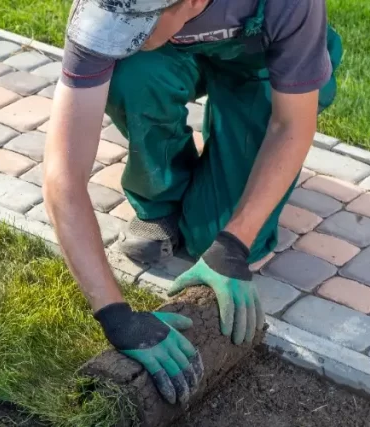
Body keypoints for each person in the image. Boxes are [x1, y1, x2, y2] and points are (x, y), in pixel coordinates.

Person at [42, 0, 342, 406]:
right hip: (171, 57)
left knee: (214, 238)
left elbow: (292, 123)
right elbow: (63, 175)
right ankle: (160, 201)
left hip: (258, 67)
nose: (121, 34)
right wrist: (115, 315)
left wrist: (233, 245)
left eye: (138, 23)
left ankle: (232, 141)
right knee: (129, 72)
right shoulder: (105, 7)